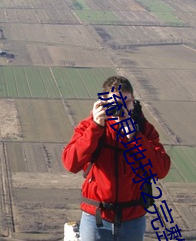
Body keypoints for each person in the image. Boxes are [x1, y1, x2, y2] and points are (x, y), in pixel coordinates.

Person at [62, 76, 171, 241]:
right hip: (96, 217)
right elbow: (71, 163)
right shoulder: (89, 126)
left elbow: (161, 169)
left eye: (125, 102)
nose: (121, 108)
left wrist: (135, 137)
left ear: (133, 103)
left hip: (132, 218)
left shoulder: (143, 129)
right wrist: (96, 127)